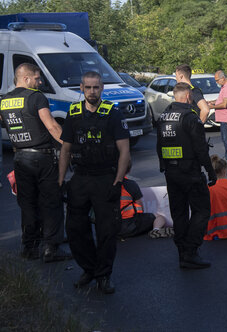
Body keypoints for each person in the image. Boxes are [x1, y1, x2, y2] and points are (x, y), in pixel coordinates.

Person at [58, 71, 130, 294]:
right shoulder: (74, 113)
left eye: (96, 87)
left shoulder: (113, 114)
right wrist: (60, 181)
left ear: (102, 89)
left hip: (105, 178)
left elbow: (124, 151)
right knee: (75, 229)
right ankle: (90, 269)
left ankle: (104, 276)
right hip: (80, 178)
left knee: (107, 231)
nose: (92, 92)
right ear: (81, 88)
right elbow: (66, 150)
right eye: (88, 88)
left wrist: (118, 181)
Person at [0, 63, 70, 262]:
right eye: (37, 78)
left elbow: (6, 123)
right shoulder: (36, 97)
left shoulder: (5, 101)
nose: (39, 82)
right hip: (42, 157)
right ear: (26, 78)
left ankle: (30, 247)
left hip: (20, 158)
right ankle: (51, 248)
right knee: (51, 202)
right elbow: (52, 126)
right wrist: (70, 146)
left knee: (28, 204)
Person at [156, 82, 217, 269]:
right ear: (188, 97)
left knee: (179, 213)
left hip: (171, 173)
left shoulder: (163, 116)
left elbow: (158, 145)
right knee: (201, 210)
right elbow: (200, 149)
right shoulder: (190, 117)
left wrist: (163, 166)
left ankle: (182, 252)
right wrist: (210, 171)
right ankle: (191, 251)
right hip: (190, 172)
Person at [117, 163, 172, 239]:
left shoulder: (106, 185)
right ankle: (156, 230)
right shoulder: (130, 184)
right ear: (128, 171)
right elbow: (139, 206)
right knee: (159, 217)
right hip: (129, 225)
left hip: (113, 227)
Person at [207, 70, 227, 160]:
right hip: (224, 119)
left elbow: (224, 104)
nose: (216, 82)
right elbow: (221, 100)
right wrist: (212, 102)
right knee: (224, 139)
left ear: (223, 78)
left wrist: (212, 106)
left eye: (217, 80)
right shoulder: (224, 87)